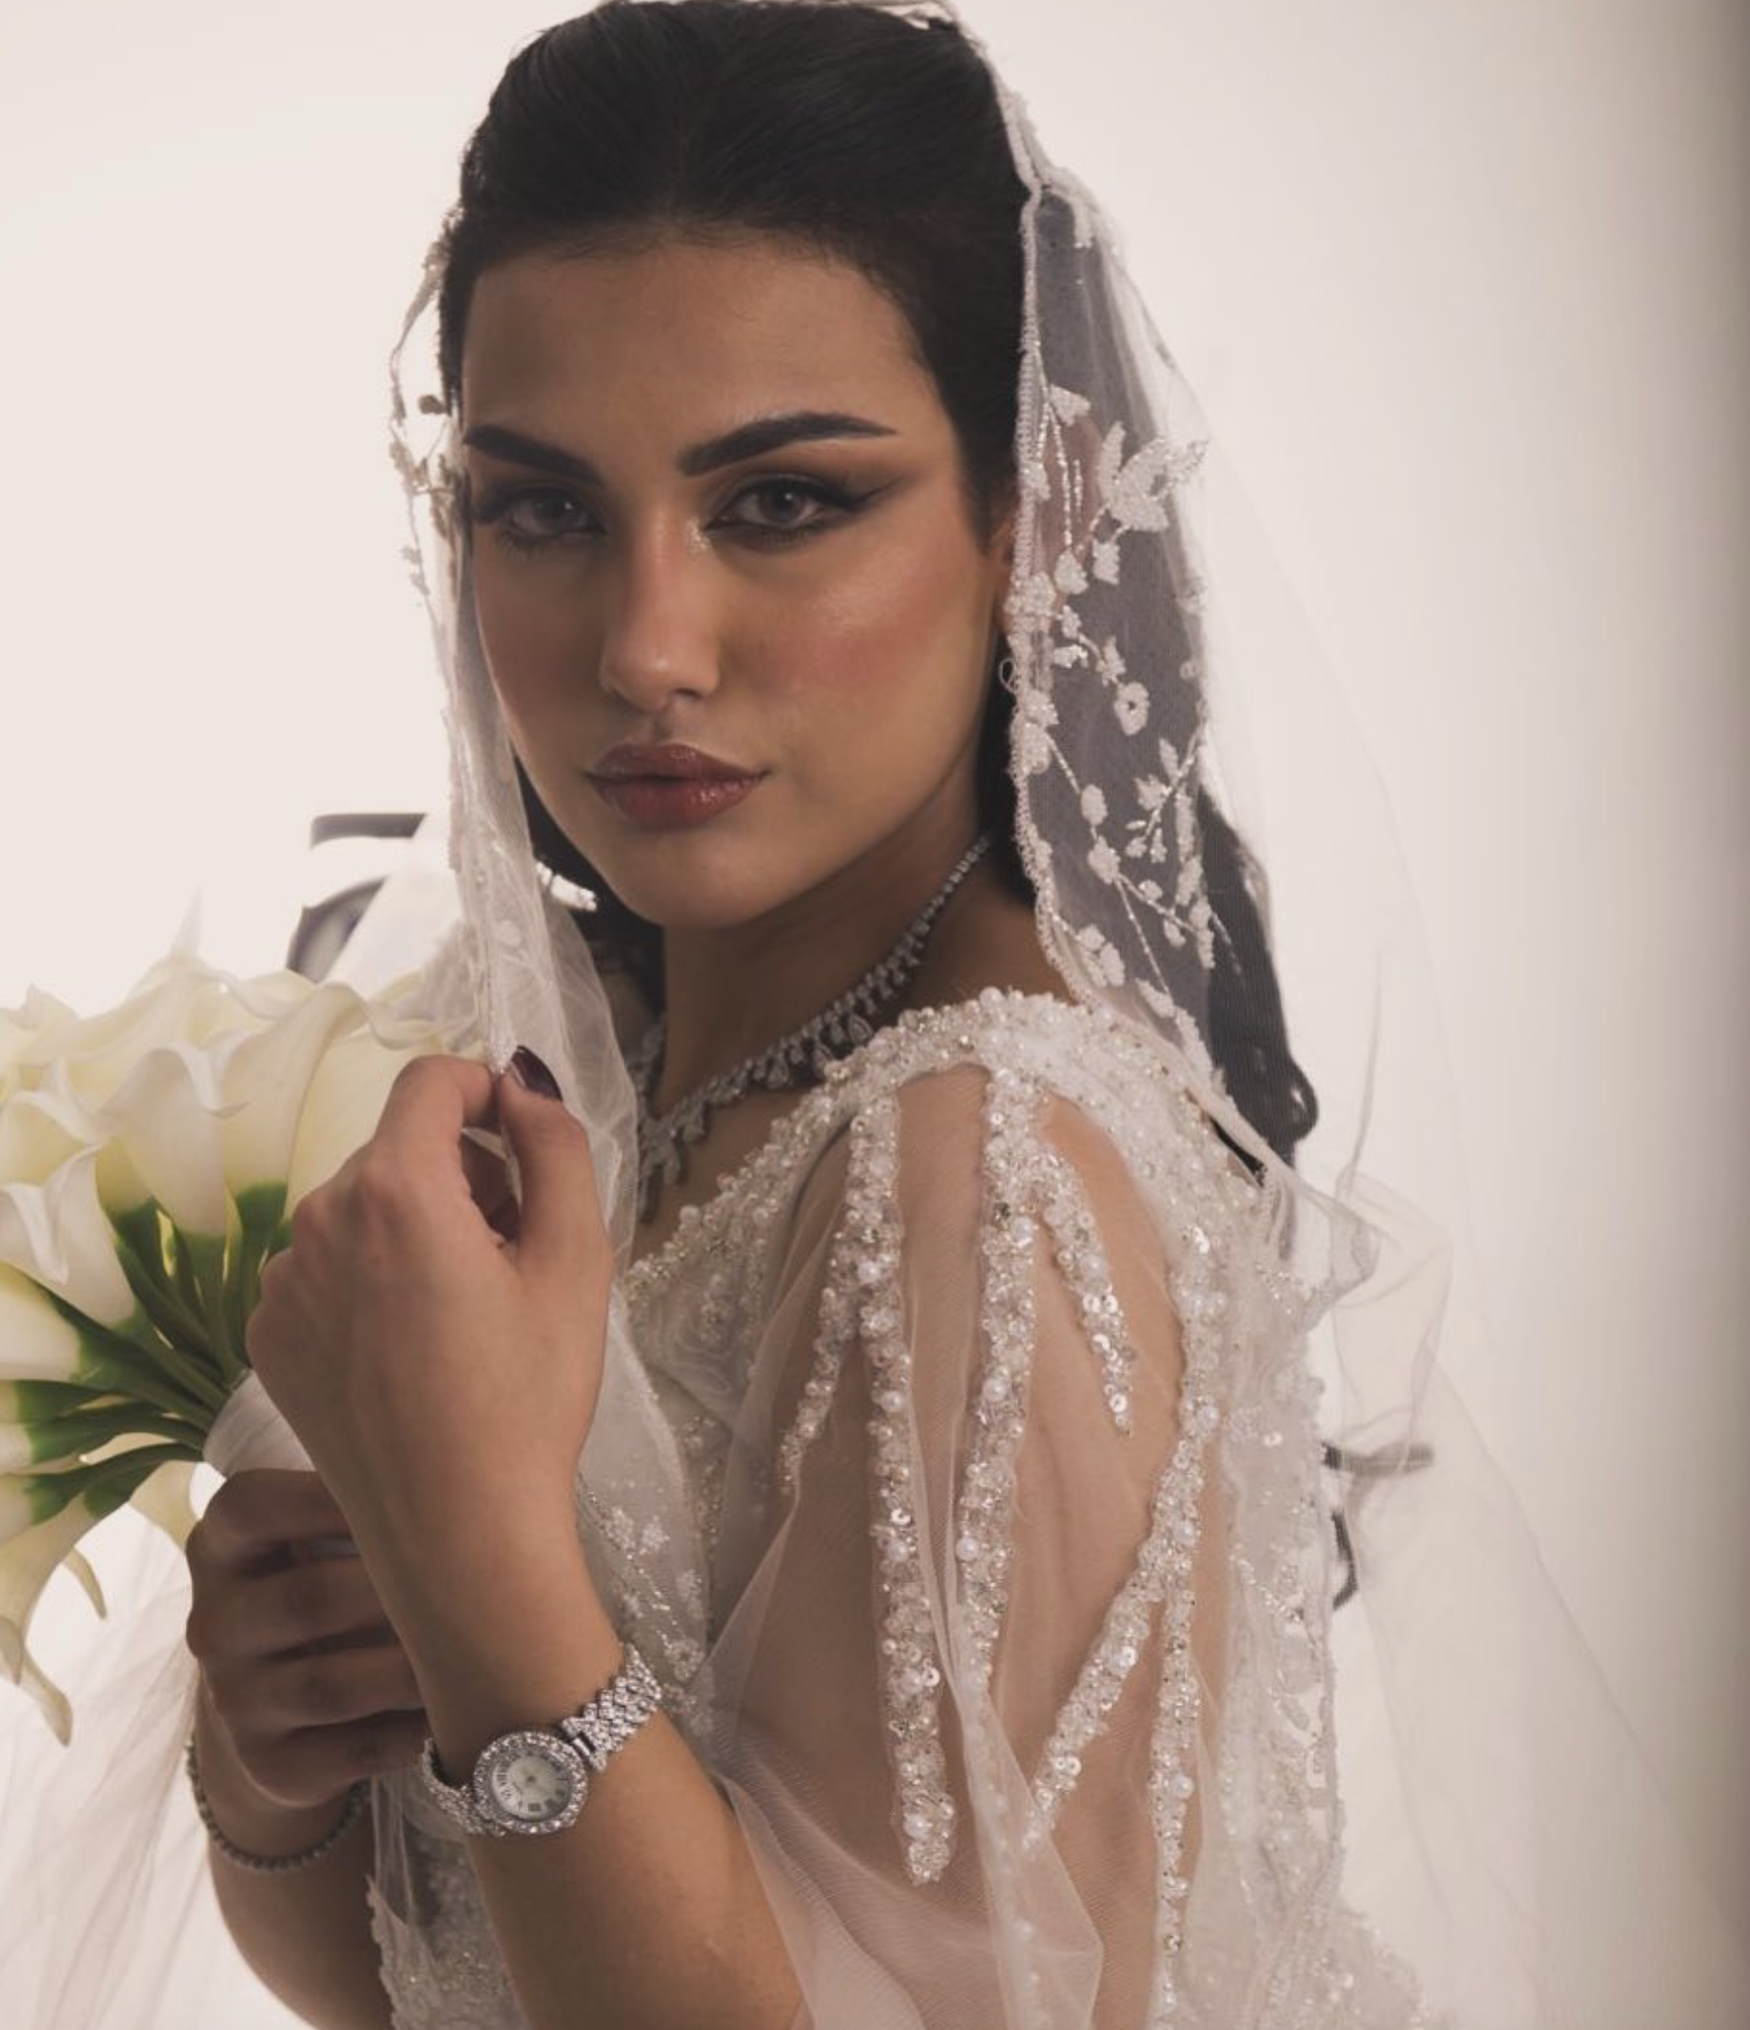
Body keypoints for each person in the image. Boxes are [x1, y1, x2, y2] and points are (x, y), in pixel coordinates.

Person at [133, 5, 1748, 2029]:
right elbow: (419, 1975)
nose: (646, 647)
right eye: (542, 511)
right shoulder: (541, 1057)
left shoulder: (982, 1171)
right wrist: (276, 1768)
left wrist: (481, 1571)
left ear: (1028, 514)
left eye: (781, 504)